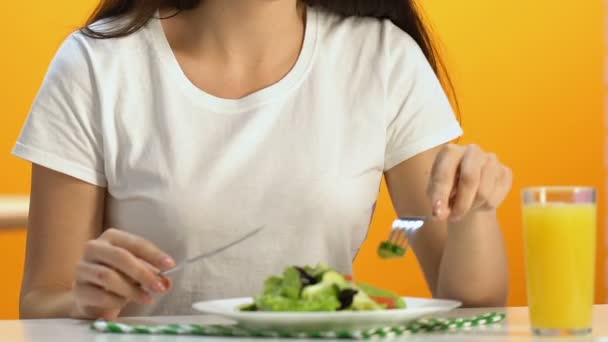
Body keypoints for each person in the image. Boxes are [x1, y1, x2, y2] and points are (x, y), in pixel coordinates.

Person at [14, 0, 512, 320]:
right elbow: (42, 299)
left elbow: (474, 306)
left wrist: (478, 206)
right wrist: (84, 301)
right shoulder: (96, 65)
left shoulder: (382, 57)